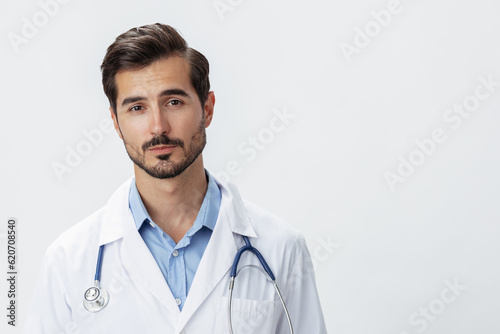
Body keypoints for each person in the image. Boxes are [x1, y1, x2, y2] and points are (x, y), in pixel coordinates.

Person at [24, 23, 327, 333]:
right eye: (137, 107)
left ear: (207, 109)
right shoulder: (69, 260)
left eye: (173, 102)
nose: (158, 127)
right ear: (116, 122)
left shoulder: (280, 247)